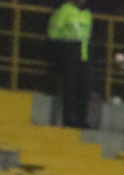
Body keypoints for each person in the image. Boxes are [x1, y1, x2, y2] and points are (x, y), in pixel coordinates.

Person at [48, 0, 93, 129]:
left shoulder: (86, 13)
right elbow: (53, 31)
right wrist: (60, 50)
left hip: (84, 51)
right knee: (70, 86)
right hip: (68, 50)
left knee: (85, 87)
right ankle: (68, 119)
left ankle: (82, 119)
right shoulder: (64, 10)